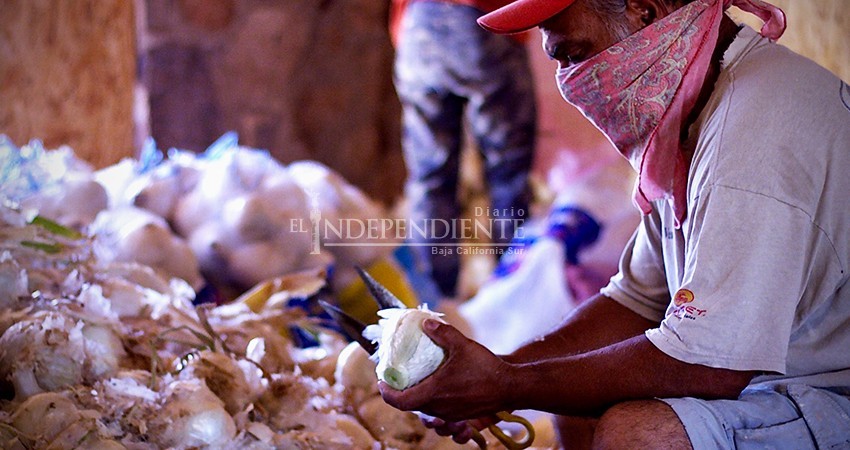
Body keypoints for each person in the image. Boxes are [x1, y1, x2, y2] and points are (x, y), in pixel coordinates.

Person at [378, 0, 850, 448]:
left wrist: (507, 386)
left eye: (576, 54)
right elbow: (637, 300)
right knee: (574, 395)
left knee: (636, 434)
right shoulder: (690, 121)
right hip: (780, 380)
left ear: (647, 11)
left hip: (832, 393)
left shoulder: (750, 134)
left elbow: (711, 364)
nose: (570, 79)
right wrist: (500, 372)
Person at [391, 0, 537, 298]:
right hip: (485, 16)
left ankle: (432, 304)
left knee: (429, 177)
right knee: (507, 174)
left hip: (417, 25)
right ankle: (514, 295)